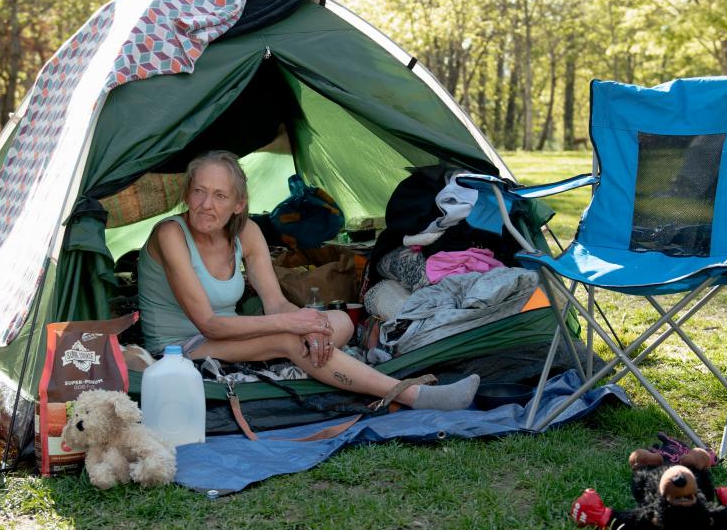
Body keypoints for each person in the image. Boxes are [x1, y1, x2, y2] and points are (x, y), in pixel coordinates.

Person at [137, 150, 480, 411]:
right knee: (292, 340)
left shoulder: (247, 232)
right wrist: (294, 326)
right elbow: (210, 324)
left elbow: (275, 303)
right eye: (199, 192)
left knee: (339, 323)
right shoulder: (170, 234)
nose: (206, 205)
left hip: (235, 334)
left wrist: (308, 324)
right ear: (187, 195)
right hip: (181, 349)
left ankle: (308, 349)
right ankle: (412, 394)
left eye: (219, 196)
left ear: (239, 204)